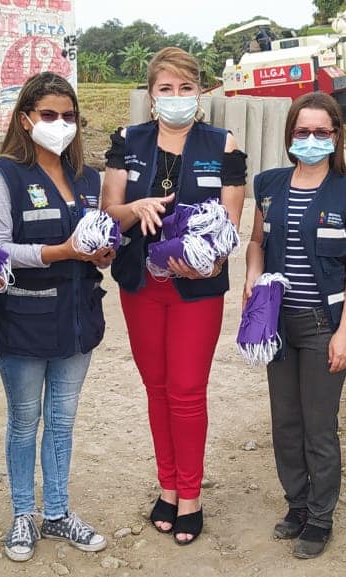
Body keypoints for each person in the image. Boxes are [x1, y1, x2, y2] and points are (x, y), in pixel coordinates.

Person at [101, 46, 248, 545]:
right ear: (151, 94)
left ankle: (191, 495)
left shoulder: (222, 144)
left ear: (200, 93)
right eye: (166, 88)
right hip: (141, 286)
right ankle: (167, 485)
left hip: (196, 289)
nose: (176, 96)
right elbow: (110, 212)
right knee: (157, 388)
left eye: (186, 87)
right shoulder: (128, 140)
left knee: (186, 389)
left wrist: (211, 259)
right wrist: (135, 208)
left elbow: (230, 225)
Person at [0, 72, 113, 563]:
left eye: (69, 116)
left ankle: (56, 512)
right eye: (49, 115)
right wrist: (60, 252)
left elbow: (98, 236)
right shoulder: (4, 176)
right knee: (24, 421)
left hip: (78, 319)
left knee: (62, 421)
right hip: (24, 319)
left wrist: (103, 253)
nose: (60, 124)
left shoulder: (88, 178)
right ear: (25, 119)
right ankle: (22, 514)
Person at [242, 92, 346, 559]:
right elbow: (257, 242)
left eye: (322, 132)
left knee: (319, 427)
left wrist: (345, 332)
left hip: (324, 326)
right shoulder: (269, 186)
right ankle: (297, 506)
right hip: (278, 326)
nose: (312, 139)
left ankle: (320, 518)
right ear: (290, 135)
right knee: (285, 423)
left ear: (336, 136)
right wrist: (252, 276)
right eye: (303, 131)